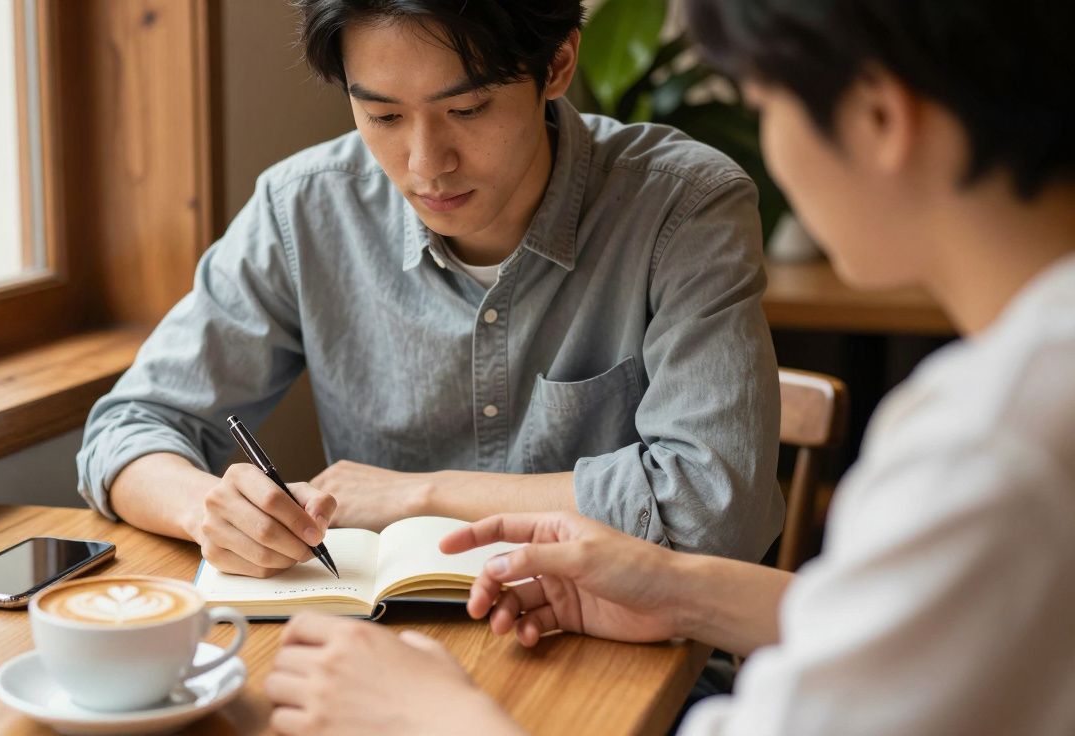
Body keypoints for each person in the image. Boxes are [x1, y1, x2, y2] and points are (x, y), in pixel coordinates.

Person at [264, 0, 1075, 733]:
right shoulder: (1030, 388)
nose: (426, 162)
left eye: (764, 105)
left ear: (878, 117)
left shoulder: (986, 447)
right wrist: (677, 592)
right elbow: (906, 632)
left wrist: (434, 716)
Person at [76, 0, 783, 577]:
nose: (425, 164)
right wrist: (211, 510)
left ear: (557, 65)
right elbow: (127, 430)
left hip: (623, 653)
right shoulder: (305, 211)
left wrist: (419, 497)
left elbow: (717, 510)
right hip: (384, 647)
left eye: (468, 109)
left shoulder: (681, 208)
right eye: (383, 116)